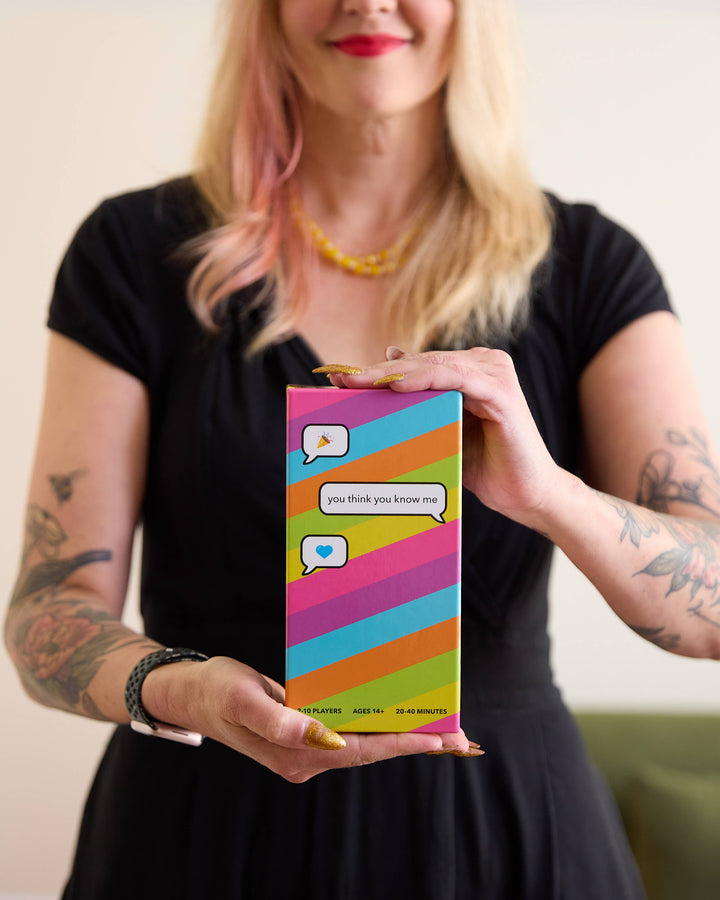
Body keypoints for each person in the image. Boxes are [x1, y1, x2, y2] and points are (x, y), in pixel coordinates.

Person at [5, 0, 720, 897]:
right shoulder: (132, 254)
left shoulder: (593, 266)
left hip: (504, 836)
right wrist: (176, 686)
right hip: (200, 828)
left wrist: (549, 493)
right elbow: (46, 607)